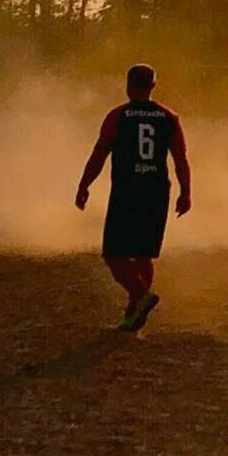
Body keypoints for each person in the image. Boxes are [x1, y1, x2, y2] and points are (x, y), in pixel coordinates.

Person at [74, 64, 191, 332]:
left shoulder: (118, 116)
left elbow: (99, 154)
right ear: (153, 86)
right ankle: (135, 308)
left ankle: (140, 296)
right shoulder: (169, 117)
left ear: (128, 86)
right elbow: (180, 159)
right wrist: (186, 191)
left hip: (127, 191)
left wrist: (84, 184)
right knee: (143, 254)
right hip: (157, 192)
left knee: (114, 255)